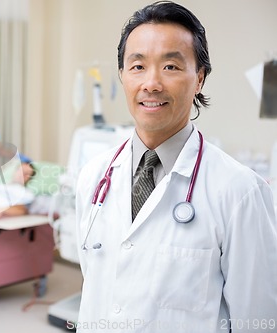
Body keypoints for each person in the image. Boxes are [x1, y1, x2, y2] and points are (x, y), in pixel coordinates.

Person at [75, 2, 277, 332]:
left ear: (199, 79)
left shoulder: (240, 191)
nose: (151, 83)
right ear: (123, 75)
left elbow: (258, 322)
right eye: (138, 66)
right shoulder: (94, 177)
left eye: (170, 66)